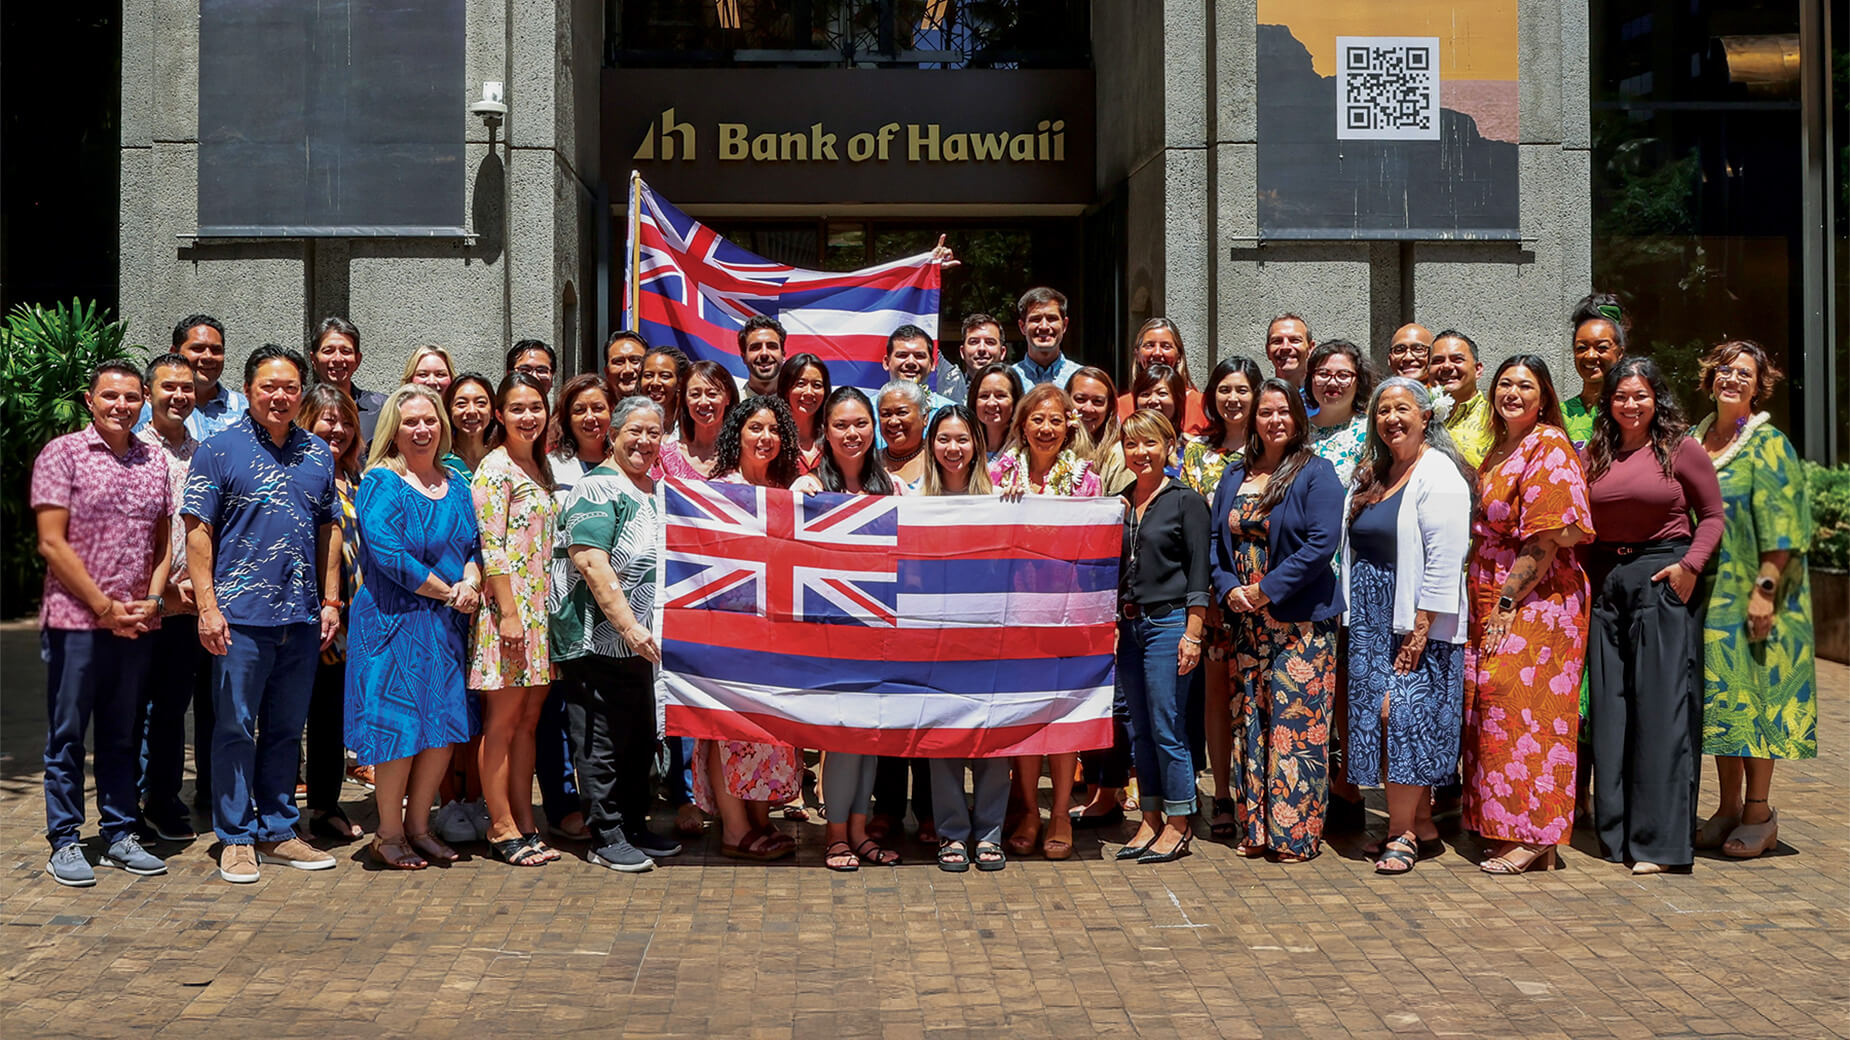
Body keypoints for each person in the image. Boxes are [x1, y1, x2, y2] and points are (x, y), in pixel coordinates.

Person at [182, 344, 342, 882]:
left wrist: (331, 600)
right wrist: (207, 607)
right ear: (248, 391)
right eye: (268, 387)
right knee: (233, 726)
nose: (280, 396)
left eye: (290, 387)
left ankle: (277, 828)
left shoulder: (318, 453)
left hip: (300, 617)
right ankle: (234, 835)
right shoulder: (217, 450)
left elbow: (330, 527)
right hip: (239, 615)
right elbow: (197, 532)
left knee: (285, 727)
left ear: (302, 392)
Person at [35, 360, 174, 886]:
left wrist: (155, 598)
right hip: (77, 623)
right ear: (89, 399)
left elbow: (163, 540)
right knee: (68, 734)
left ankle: (119, 832)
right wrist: (102, 607)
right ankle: (65, 841)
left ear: (143, 402)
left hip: (136, 623)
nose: (122, 406)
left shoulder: (153, 460)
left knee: (121, 732)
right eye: (111, 396)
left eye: (132, 397)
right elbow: (52, 542)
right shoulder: (62, 454)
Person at [1583, 356, 1723, 874]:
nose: (1630, 404)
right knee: (1613, 714)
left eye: (1640, 395)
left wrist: (1690, 567)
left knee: (1662, 715)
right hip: (1607, 585)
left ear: (1656, 398)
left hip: (1663, 577)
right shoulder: (1595, 452)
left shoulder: (1679, 448)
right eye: (1621, 396)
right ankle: (1618, 835)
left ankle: (1661, 845)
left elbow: (1711, 515)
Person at [1463, 354, 1593, 874]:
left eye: (1525, 385)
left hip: (1539, 601)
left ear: (1544, 398)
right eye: (1505, 384)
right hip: (1493, 594)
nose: (1512, 393)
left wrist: (1507, 604)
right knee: (1495, 710)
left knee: (1527, 712)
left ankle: (1535, 835)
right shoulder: (1501, 448)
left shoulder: (1549, 445)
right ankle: (1510, 828)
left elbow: (1546, 538)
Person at [1338, 377, 1473, 875]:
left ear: (1425, 416)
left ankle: (1400, 835)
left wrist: (1418, 634)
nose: (1392, 419)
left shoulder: (1439, 473)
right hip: (1371, 618)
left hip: (1413, 617)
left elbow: (1444, 559)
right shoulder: (1375, 473)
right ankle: (1422, 822)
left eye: (1402, 409)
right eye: (1382, 411)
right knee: (1381, 716)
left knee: (1406, 718)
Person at [345, 385, 482, 869]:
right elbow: (390, 557)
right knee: (398, 729)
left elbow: (472, 546)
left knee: (442, 728)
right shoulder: (381, 481)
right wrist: (450, 592)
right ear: (393, 430)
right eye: (410, 422)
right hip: (392, 622)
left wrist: (470, 579)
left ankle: (420, 827)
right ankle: (388, 834)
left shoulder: (458, 484)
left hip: (444, 625)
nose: (422, 430)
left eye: (429, 420)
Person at [1210, 379, 1345, 861]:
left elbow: (1320, 545)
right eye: (1265, 412)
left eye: (1283, 412)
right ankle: (1257, 829)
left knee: (1296, 727)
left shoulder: (1316, 472)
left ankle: (1295, 836)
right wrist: (1229, 589)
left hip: (1300, 624)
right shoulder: (1232, 475)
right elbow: (1215, 543)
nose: (1274, 421)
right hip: (1246, 623)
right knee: (1251, 721)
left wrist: (1265, 590)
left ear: (1298, 417)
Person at [1691, 339, 1816, 860]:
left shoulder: (1769, 443)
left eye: (1744, 373)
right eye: (1725, 370)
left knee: (1757, 699)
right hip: (1710, 592)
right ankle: (1727, 808)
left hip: (1757, 590)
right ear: (1710, 377)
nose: (1732, 379)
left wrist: (1766, 592)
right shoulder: (1697, 437)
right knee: (1725, 703)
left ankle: (1759, 813)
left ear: (1758, 384)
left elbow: (1785, 528)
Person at [552, 396, 684, 871]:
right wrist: (628, 626)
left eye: (654, 433)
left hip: (644, 646)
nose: (645, 442)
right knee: (600, 740)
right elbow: (590, 560)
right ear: (613, 434)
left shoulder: (654, 489)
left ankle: (633, 824)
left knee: (638, 738)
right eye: (636, 431)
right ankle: (604, 834)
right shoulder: (595, 489)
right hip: (597, 639)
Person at [790, 388, 906, 869]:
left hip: (881, 631)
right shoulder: (810, 487)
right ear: (825, 432)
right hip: (831, 632)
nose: (852, 433)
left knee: (870, 737)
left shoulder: (893, 489)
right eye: (840, 425)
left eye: (861, 423)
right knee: (840, 737)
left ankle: (859, 831)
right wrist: (795, 497)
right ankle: (835, 835)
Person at [988, 384, 1101, 860]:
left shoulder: (1086, 480)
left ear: (1068, 425)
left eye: (1055, 420)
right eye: (1037, 420)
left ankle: (1059, 812)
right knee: (1027, 715)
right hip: (1014, 617)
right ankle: (1029, 811)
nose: (1046, 429)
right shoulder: (997, 476)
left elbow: (1095, 548)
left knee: (1063, 714)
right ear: (1022, 424)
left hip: (1070, 616)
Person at [697, 396, 803, 861]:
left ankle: (759, 817)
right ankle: (735, 830)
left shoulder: (786, 490)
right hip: (726, 626)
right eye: (755, 428)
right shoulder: (717, 489)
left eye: (774, 430)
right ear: (736, 434)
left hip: (775, 628)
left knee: (765, 728)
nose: (765, 438)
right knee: (727, 729)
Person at [470, 373, 561, 867]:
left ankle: (526, 820)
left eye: (536, 407)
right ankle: (500, 825)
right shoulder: (496, 468)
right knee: (502, 722)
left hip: (541, 612)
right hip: (508, 611)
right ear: (499, 415)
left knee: (528, 722)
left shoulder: (538, 465)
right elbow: (491, 547)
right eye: (518, 408)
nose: (529, 416)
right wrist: (508, 613)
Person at [1114, 409, 1210, 864]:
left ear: (1169, 445)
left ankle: (1179, 821)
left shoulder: (1185, 500)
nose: (1141, 452)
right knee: (1141, 730)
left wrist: (1193, 632)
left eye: (1150, 442)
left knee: (1168, 725)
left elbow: (1197, 572)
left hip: (1169, 624)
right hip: (1130, 626)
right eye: (1132, 444)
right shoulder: (1121, 501)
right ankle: (1150, 817)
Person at [920, 405, 1008, 871]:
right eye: (944, 439)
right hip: (934, 635)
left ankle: (990, 833)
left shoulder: (1004, 499)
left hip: (990, 634)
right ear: (931, 445)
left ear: (977, 445)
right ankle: (953, 833)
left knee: (992, 734)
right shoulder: (913, 500)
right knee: (944, 738)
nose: (953, 449)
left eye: (962, 439)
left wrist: (1023, 504)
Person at [1182, 355, 1261, 842]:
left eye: (1242, 390)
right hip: (1212, 589)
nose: (1233, 398)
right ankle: (1224, 794)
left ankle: (1260, 792)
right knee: (1215, 696)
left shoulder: (1272, 447)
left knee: (1256, 695)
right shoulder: (1195, 453)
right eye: (1224, 389)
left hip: (1260, 592)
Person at [134, 353, 202, 842]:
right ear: (148, 393)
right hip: (143, 601)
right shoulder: (131, 450)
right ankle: (129, 804)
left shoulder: (207, 453)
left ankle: (164, 796)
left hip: (191, 602)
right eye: (168, 387)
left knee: (173, 708)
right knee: (134, 706)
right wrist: (157, 589)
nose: (178, 396)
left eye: (186, 388)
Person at [294, 386, 367, 843]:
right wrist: (327, 601)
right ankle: (279, 811)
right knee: (286, 715)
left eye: (344, 422)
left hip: (349, 619)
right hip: (304, 611)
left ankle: (324, 806)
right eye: (325, 420)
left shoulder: (359, 477)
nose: (336, 430)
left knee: (329, 717)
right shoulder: (296, 472)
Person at [136, 314, 248, 440]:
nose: (208, 357)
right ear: (174, 352)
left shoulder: (246, 410)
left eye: (216, 350)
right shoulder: (145, 411)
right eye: (197, 348)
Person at [1116, 318, 1207, 435]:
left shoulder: (1201, 405)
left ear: (1179, 356)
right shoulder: (1120, 406)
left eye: (1166, 346)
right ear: (1137, 354)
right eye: (1149, 345)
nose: (1157, 353)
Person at [1305, 339, 1376, 487]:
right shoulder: (1296, 431)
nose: (1332, 383)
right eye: (1323, 374)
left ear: (1359, 380)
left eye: (1343, 375)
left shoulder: (1371, 432)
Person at [1563, 294, 1628, 449]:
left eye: (1602, 347)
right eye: (1582, 348)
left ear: (1620, 353)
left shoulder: (1630, 411)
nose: (1590, 355)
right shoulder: (1557, 415)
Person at [656, 360, 739, 479]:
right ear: (685, 400)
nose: (703, 402)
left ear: (728, 397)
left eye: (712, 394)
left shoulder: (744, 457)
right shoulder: (664, 457)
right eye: (695, 394)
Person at [309, 317, 386, 443]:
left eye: (346, 351)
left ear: (358, 360)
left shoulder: (381, 408)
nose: (338, 358)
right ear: (314, 360)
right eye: (328, 351)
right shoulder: (297, 407)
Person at [1428, 330, 1492, 468]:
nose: (1446, 366)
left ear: (1478, 369)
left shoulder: (1496, 419)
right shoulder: (1420, 415)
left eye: (1457, 359)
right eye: (1437, 361)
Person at [1069, 365, 1131, 494]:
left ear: (1109, 407)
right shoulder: (1052, 445)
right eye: (1080, 399)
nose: (1088, 408)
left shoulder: (1117, 454)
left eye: (1097, 401)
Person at [549, 374, 615, 494]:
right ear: (567, 418)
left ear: (611, 411)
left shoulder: (627, 463)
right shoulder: (550, 467)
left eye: (598, 408)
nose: (589, 417)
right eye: (579, 410)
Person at [1011, 286, 1083, 390]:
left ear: (1064, 325)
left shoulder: (1081, 379)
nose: (1044, 326)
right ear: (1022, 327)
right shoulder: (1009, 380)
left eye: (1052, 318)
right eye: (1036, 319)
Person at [777, 352, 831, 478]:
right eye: (801, 384)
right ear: (786, 390)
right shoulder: (773, 438)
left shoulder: (833, 440)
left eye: (816, 385)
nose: (809, 392)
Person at [935, 313, 1005, 404]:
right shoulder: (949, 386)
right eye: (974, 342)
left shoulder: (1018, 390)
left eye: (990, 342)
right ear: (962, 352)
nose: (982, 348)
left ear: (1002, 352)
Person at [877, 379, 932, 492]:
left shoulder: (939, 462)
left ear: (925, 417)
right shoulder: (868, 463)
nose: (893, 421)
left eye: (902, 413)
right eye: (886, 414)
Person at [441, 373, 496, 477]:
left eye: (480, 403)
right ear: (449, 411)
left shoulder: (502, 461)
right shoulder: (440, 464)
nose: (472, 411)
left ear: (492, 411)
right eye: (461, 403)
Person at [968, 363, 1024, 462]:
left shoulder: (1025, 452)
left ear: (1015, 401)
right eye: (984, 396)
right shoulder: (966, 451)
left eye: (1000, 395)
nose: (991, 403)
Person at [1130, 364, 1188, 445]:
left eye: (1162, 393)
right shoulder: (1124, 446)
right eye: (1145, 394)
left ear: (1177, 400)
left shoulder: (1192, 450)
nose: (1153, 400)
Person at [640, 347, 688, 434]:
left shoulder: (691, 426)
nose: (655, 382)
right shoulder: (629, 420)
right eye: (648, 375)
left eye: (665, 376)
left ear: (680, 383)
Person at [737, 315, 787, 397]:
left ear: (783, 355)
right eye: (755, 347)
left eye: (771, 346)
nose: (764, 353)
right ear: (744, 357)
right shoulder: (730, 406)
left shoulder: (796, 405)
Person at [1263, 314, 1315, 391]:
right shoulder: (1260, 399)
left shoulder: (1323, 398)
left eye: (1295, 340)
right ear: (1268, 351)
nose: (1285, 347)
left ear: (1310, 348)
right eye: (1277, 341)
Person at [603, 330, 649, 400]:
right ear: (607, 372)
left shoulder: (665, 409)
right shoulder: (598, 409)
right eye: (619, 362)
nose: (628, 370)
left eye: (635, 361)